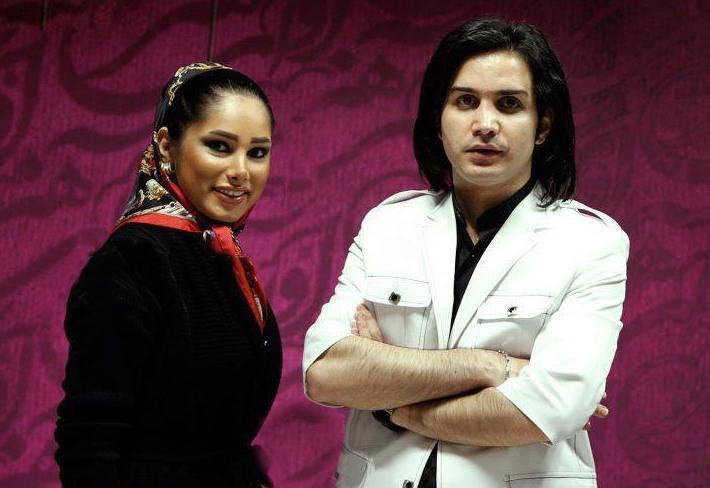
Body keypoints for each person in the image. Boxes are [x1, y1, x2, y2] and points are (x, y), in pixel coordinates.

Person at [303, 18, 628, 488]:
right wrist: (492, 366)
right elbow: (327, 373)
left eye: (510, 104)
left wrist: (387, 401)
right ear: (439, 117)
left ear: (543, 125)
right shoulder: (388, 224)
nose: (485, 124)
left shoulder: (590, 242)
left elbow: (544, 412)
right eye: (465, 101)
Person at [55, 62, 282, 488]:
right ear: (166, 145)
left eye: (257, 152)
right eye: (219, 146)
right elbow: (89, 447)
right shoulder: (133, 260)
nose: (241, 171)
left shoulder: (216, 250)